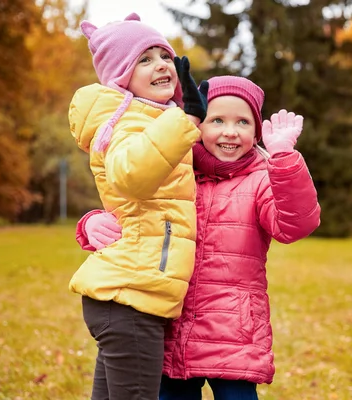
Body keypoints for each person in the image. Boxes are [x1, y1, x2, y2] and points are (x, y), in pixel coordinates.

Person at [77, 76, 321, 399]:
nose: (230, 131)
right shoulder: (175, 172)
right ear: (197, 123)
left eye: (243, 122)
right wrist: (91, 223)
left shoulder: (261, 180)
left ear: (257, 131)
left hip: (232, 334)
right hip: (172, 329)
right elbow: (129, 203)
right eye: (216, 120)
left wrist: (283, 160)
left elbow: (294, 225)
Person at [68, 13, 209, 400]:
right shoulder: (128, 120)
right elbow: (128, 174)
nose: (161, 65)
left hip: (130, 294)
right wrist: (187, 119)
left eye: (163, 55)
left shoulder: (157, 118)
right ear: (120, 76)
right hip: (130, 294)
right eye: (143, 60)